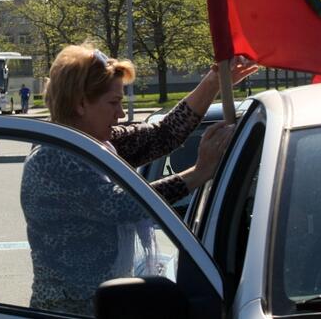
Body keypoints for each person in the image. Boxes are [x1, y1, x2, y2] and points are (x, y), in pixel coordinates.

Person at [21, 44, 257, 315]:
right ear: (80, 103)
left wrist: (214, 81)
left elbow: (163, 134)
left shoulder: (94, 143)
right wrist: (199, 173)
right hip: (68, 312)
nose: (120, 114)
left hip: (104, 306)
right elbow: (122, 205)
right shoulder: (52, 158)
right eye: (113, 103)